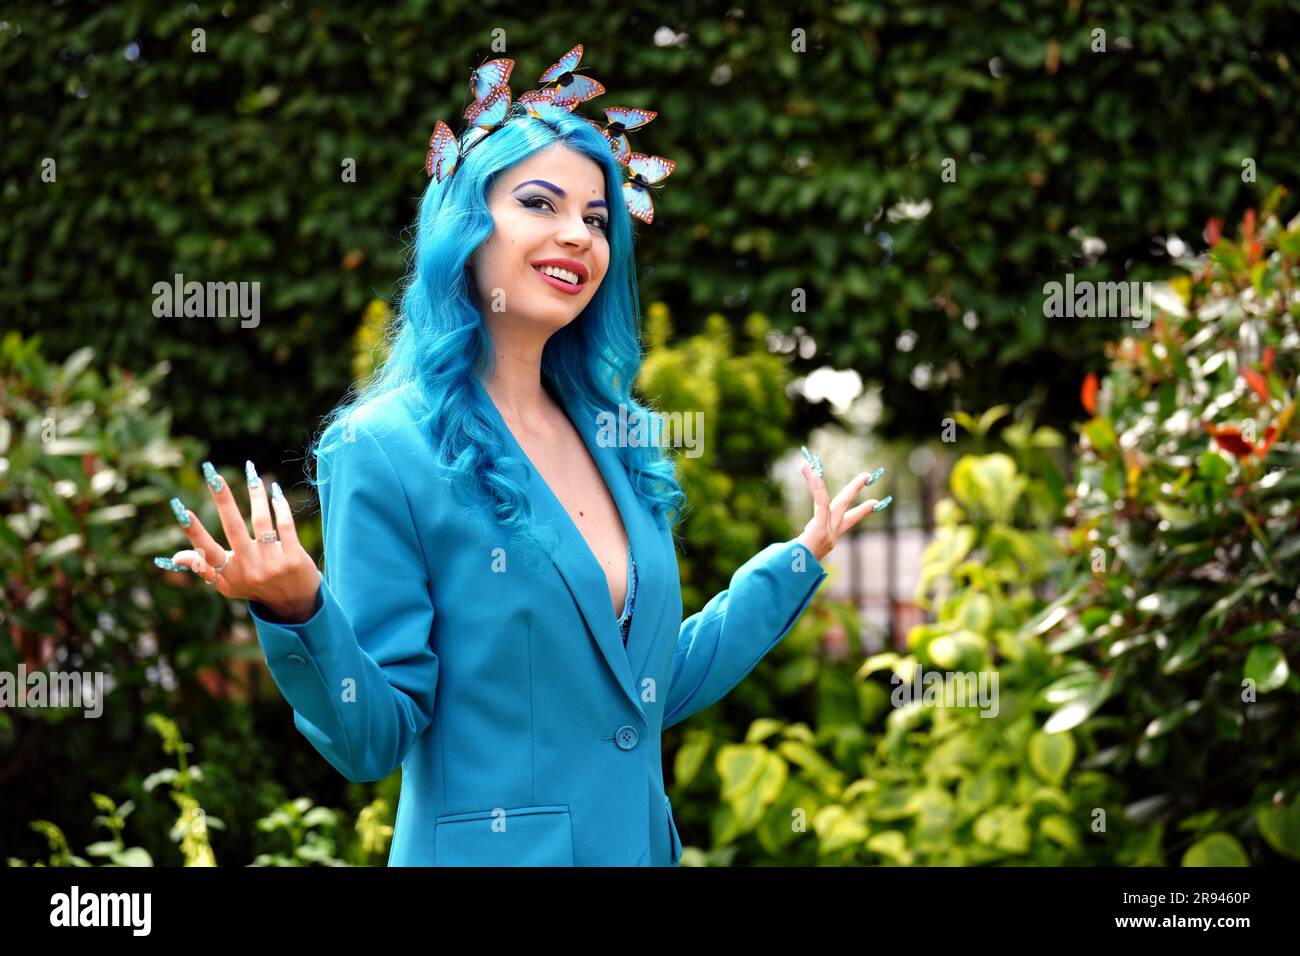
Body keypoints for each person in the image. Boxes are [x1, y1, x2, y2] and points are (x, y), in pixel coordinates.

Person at [154, 48, 889, 866]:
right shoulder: (384, 448)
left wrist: (794, 562)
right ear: (466, 228)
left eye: (598, 217)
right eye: (541, 203)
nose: (578, 232)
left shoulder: (619, 437)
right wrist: (298, 611)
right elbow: (372, 740)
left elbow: (645, 688)